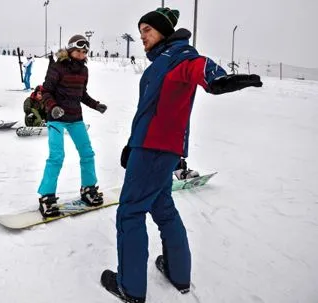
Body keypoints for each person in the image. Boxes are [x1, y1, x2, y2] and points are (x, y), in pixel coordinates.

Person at [100, 7, 263, 303]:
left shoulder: (177, 57)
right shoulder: (161, 63)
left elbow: (199, 67)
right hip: (157, 147)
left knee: (130, 212)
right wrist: (131, 144)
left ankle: (131, 287)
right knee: (163, 207)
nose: (142, 36)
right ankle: (178, 272)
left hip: (152, 149)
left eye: (147, 30)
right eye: (140, 32)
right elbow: (149, 110)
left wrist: (218, 79)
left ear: (163, 31)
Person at [37, 34, 108, 217]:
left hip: (75, 117)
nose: (81, 54)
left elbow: (82, 94)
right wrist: (53, 108)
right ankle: (47, 197)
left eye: (84, 52)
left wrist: (95, 104)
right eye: (78, 51)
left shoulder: (84, 71)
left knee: (87, 153)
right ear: (70, 50)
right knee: (57, 156)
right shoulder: (57, 67)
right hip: (56, 118)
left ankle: (88, 188)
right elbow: (46, 92)